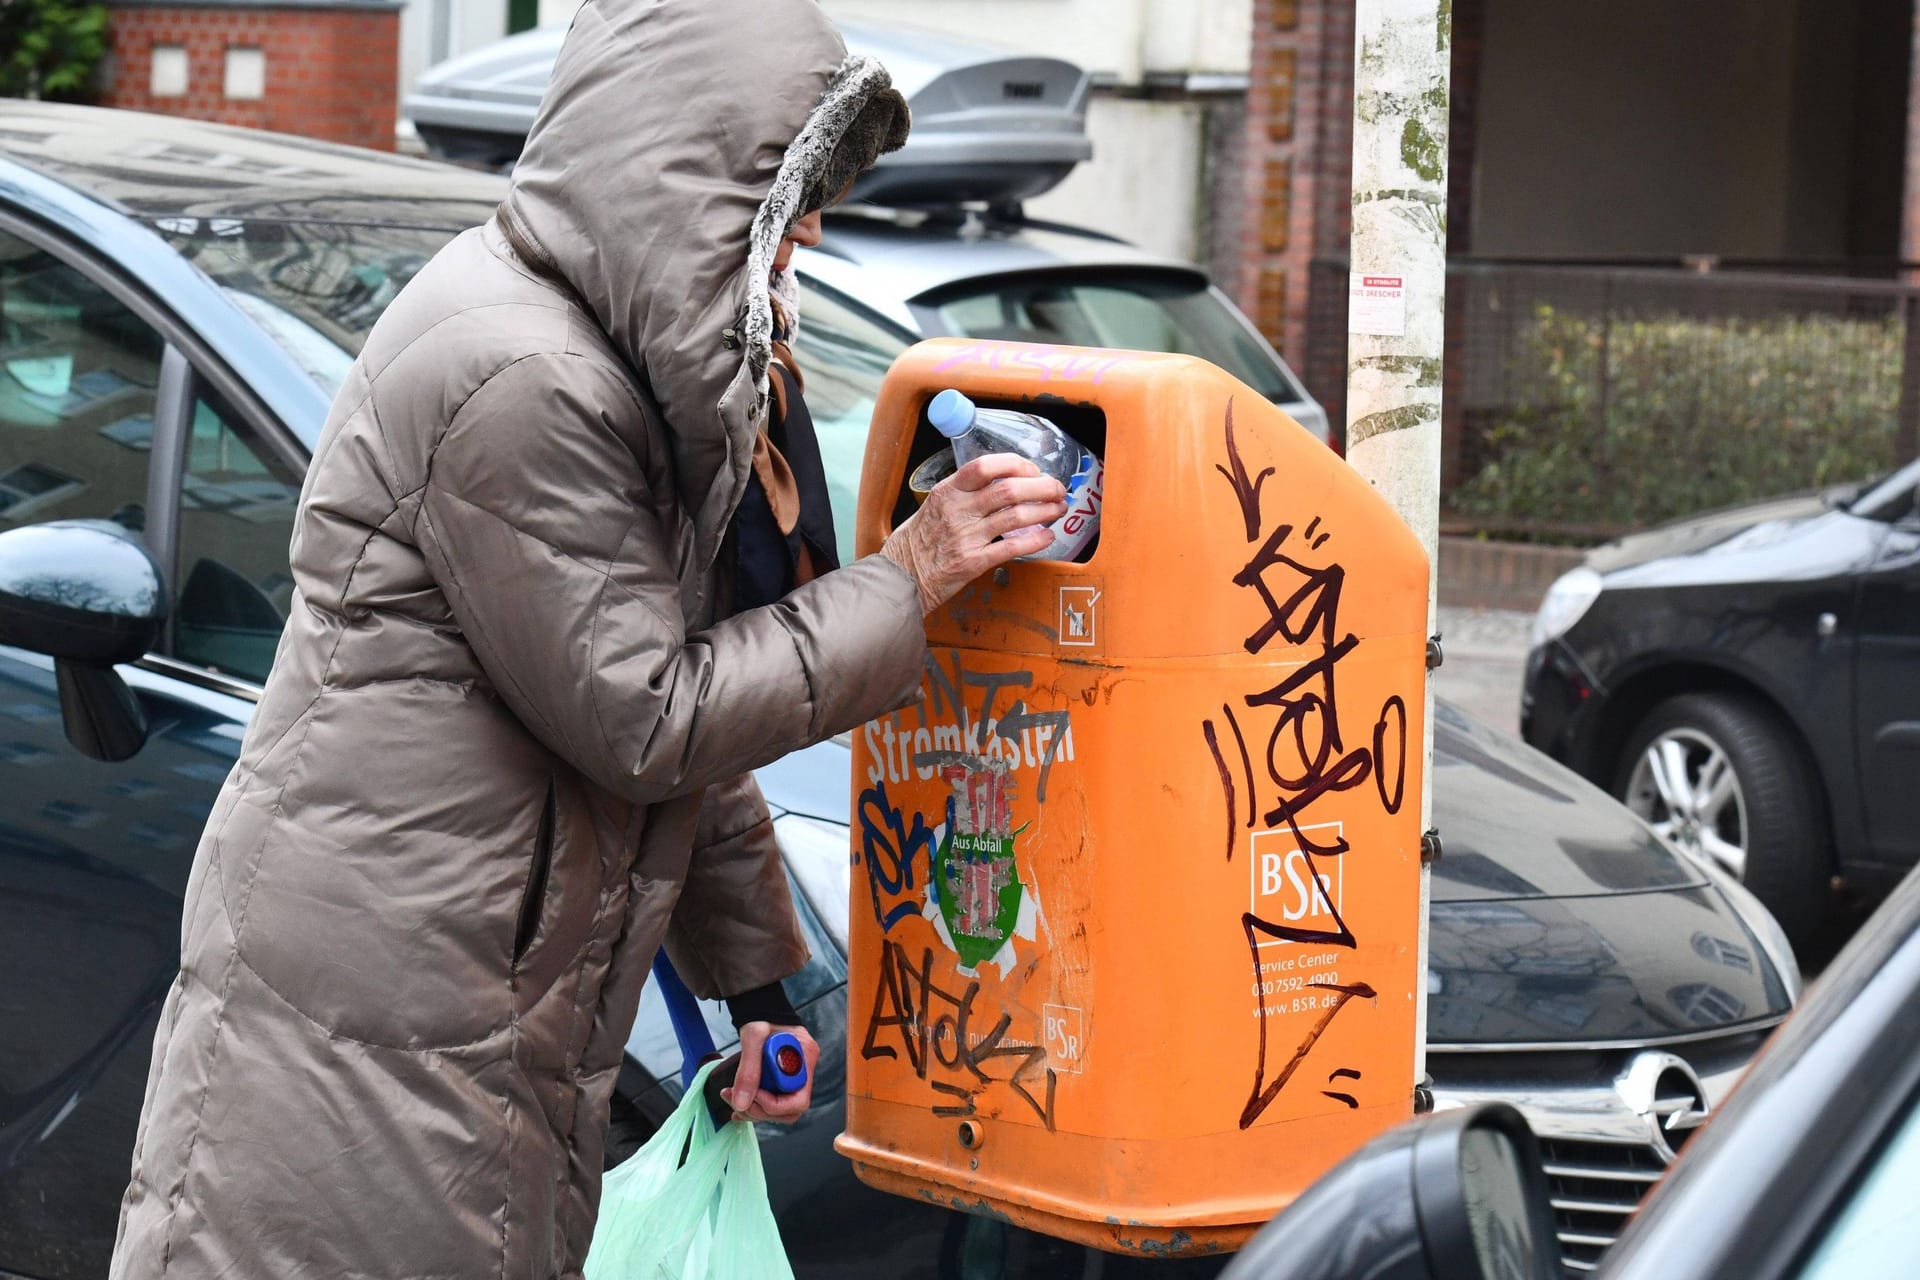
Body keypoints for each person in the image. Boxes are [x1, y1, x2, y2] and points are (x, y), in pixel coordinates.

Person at [107, 1, 1067, 1276]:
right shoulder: (522, 376)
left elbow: (672, 722)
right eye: (792, 195)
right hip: (378, 1025)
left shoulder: (621, 365)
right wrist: (914, 574)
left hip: (474, 1012)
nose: (815, 234)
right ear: (684, 185)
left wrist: (757, 988)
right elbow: (650, 715)